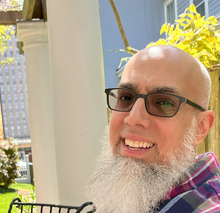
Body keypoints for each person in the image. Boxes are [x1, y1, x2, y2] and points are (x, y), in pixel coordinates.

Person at [88, 45, 219, 213]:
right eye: (126, 97)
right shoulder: (134, 199)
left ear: (200, 127)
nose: (133, 118)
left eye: (163, 102)